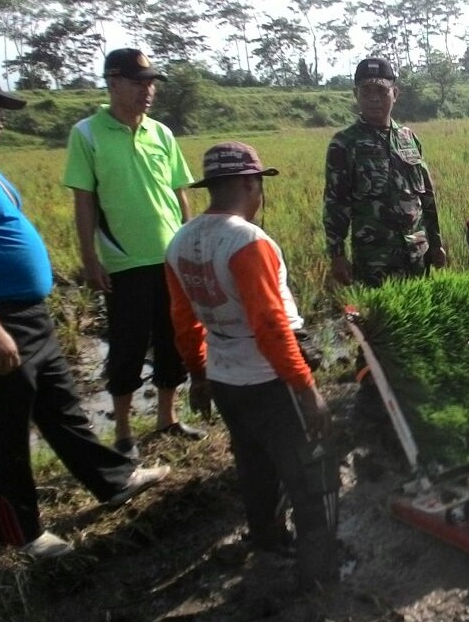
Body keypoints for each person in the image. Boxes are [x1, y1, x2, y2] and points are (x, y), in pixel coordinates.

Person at [0, 58, 170, 559]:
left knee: (60, 404)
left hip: (22, 310)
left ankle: (114, 479)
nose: (4, 115)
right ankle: (17, 532)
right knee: (0, 423)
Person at [165, 142, 340, 590]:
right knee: (309, 477)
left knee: (255, 468)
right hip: (270, 382)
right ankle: (318, 576)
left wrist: (198, 374)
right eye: (258, 185)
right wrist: (306, 389)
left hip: (226, 380)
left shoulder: (181, 241)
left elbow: (183, 320)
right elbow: (270, 326)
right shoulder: (247, 242)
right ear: (249, 184)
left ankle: (268, 544)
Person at [62, 48, 206, 460]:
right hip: (123, 263)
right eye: (139, 82)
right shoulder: (87, 134)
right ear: (113, 82)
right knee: (126, 345)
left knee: (173, 339)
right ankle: (123, 432)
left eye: (152, 83)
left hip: (171, 259)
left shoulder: (161, 133)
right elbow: (85, 201)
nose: (149, 90)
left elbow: (180, 193)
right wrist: (90, 259)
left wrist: (189, 244)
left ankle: (167, 418)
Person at [323, 57, 447, 288]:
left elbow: (426, 196)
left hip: (417, 253)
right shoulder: (344, 143)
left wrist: (436, 242)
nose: (374, 98)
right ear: (355, 95)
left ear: (395, 94)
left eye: (381, 91)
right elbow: (335, 203)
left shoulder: (409, 139)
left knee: (421, 317)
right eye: (366, 91)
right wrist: (337, 255)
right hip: (375, 260)